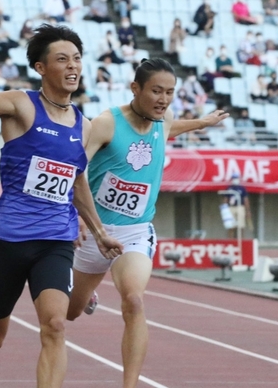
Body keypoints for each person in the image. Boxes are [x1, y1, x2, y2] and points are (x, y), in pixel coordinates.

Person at [0, 14, 123, 388]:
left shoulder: (84, 125)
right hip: (10, 238)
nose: (73, 65)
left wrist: (99, 231)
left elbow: (78, 185)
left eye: (77, 58)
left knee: (56, 325)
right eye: (62, 59)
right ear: (41, 68)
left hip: (55, 240)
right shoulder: (21, 106)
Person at [66, 58, 229, 388]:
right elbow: (73, 170)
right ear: (135, 89)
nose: (163, 99)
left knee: (134, 301)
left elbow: (170, 126)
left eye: (169, 92)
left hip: (136, 232)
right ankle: (88, 296)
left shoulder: (163, 118)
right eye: (156, 91)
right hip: (95, 231)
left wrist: (202, 123)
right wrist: (76, 218)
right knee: (69, 312)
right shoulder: (105, 124)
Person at [223, 172, 252, 238]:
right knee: (231, 226)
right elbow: (225, 199)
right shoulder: (229, 188)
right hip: (231, 207)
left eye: (236, 178)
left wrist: (248, 211)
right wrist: (225, 210)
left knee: (241, 226)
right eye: (234, 178)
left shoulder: (242, 188)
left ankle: (242, 242)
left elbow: (246, 200)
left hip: (240, 207)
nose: (235, 179)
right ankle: (231, 242)